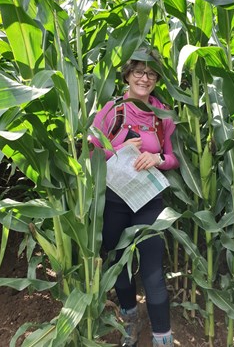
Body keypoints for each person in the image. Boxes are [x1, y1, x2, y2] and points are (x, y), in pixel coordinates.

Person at [90, 49, 179, 347]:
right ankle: (130, 317)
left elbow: (173, 158)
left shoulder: (161, 114)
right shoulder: (112, 110)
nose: (145, 78)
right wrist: (117, 149)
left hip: (147, 201)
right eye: (139, 72)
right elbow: (89, 154)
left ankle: (162, 337)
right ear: (127, 74)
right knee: (118, 266)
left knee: (153, 271)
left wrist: (157, 158)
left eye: (151, 73)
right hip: (113, 201)